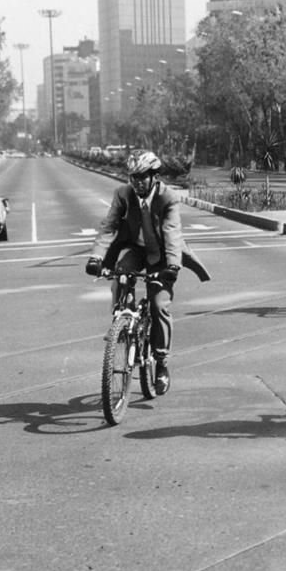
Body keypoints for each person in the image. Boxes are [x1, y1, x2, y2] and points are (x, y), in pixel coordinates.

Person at [85, 151, 210, 395]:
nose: (137, 182)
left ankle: (161, 364)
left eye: (143, 177)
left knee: (158, 303)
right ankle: (122, 322)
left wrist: (173, 266)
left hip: (162, 254)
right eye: (133, 177)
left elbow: (172, 232)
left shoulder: (167, 198)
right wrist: (96, 257)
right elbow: (109, 226)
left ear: (154, 176)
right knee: (121, 274)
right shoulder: (123, 195)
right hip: (137, 249)